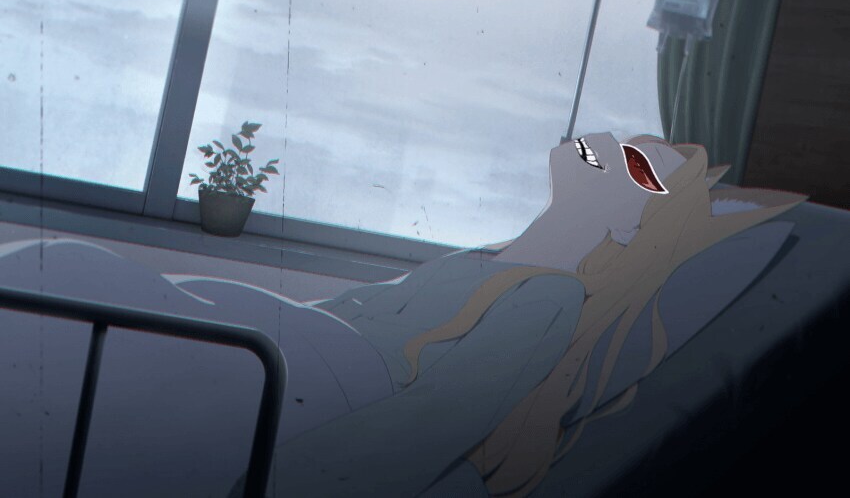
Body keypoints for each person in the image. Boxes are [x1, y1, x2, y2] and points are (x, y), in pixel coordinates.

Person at [0, 133, 804, 497]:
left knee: (61, 291)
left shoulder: (548, 296)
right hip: (289, 350)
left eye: (636, 165)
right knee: (58, 284)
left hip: (316, 378)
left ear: (631, 226)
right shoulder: (493, 259)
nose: (608, 146)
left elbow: (433, 415)